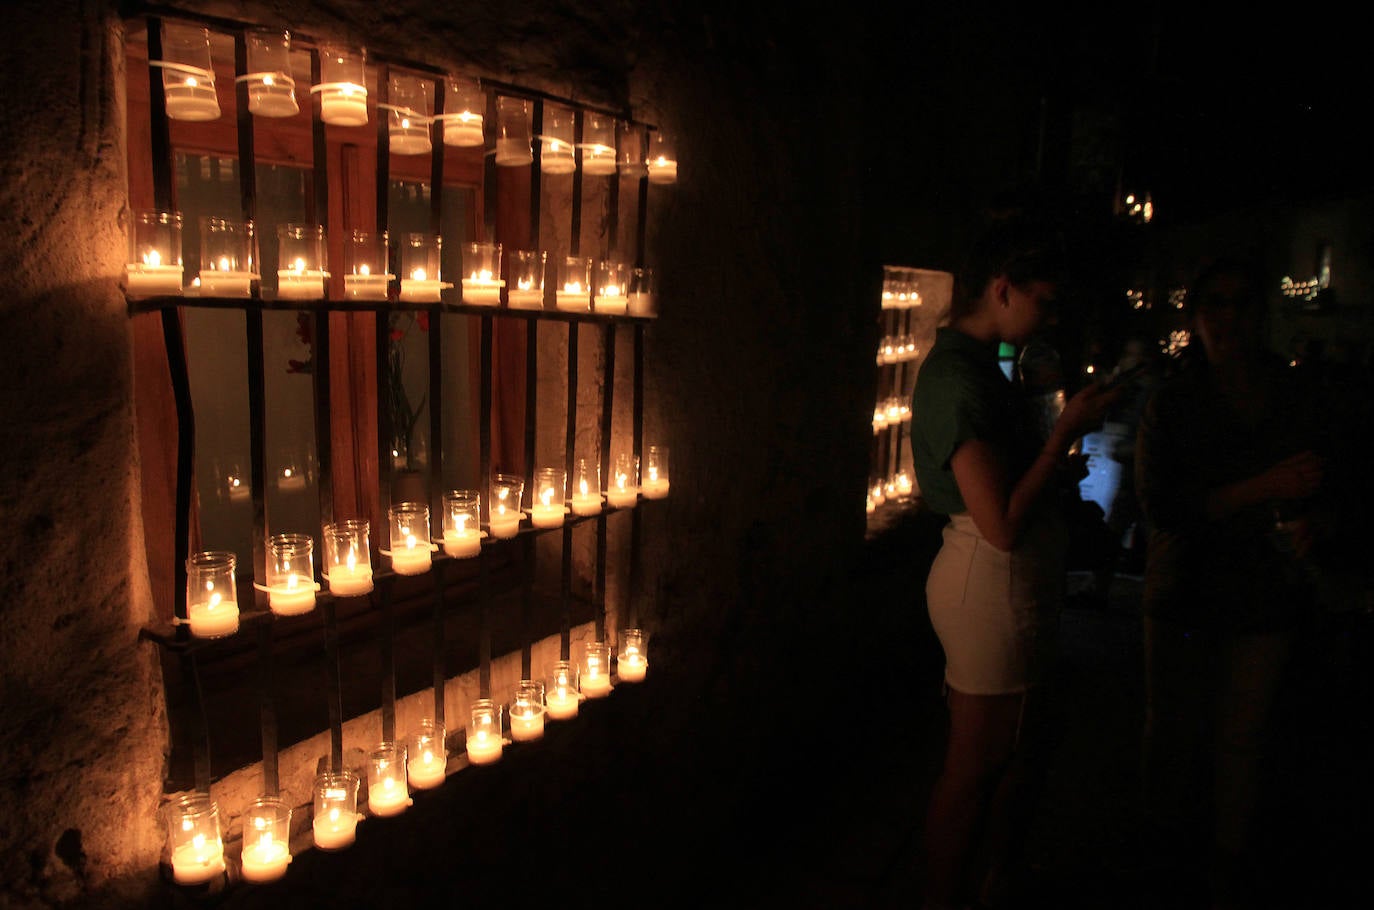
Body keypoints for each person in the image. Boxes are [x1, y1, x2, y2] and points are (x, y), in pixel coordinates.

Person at [909, 219, 1122, 909]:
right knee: (972, 771)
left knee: (1013, 755)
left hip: (1005, 586)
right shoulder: (953, 379)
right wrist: (1062, 435)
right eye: (1043, 300)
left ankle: (993, 880)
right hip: (988, 586)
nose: (1049, 317)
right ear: (1001, 289)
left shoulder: (984, 364)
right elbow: (998, 523)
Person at [1134, 256, 1326, 907]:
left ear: (1260, 314)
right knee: (1173, 733)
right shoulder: (1174, 401)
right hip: (1186, 589)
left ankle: (1225, 863)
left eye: (1240, 303)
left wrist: (1312, 523)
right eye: (1213, 303)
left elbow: (1328, 479)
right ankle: (1164, 856)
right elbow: (1165, 507)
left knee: (1241, 740)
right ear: (1195, 316)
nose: (1228, 316)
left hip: (1261, 593)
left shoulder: (1292, 394)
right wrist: (1259, 489)